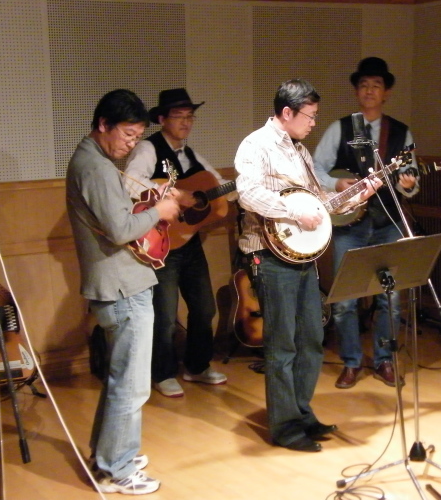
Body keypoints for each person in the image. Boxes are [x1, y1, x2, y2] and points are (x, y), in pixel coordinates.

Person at [234, 79, 380, 452]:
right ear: (287, 112)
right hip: (270, 255)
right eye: (310, 116)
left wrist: (356, 196)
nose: (314, 123)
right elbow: (248, 193)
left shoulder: (299, 151)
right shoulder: (256, 145)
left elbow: (318, 202)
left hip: (302, 256)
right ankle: (285, 427)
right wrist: (292, 210)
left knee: (312, 339)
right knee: (282, 344)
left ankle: (301, 413)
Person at [66, 89, 180, 494]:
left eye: (137, 137)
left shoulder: (92, 160)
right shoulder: (95, 167)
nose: (132, 144)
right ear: (103, 125)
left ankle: (106, 456)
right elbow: (119, 230)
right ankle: (117, 468)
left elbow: (116, 218)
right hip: (121, 286)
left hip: (120, 284)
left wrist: (150, 203)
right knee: (131, 385)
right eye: (128, 135)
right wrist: (160, 211)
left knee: (123, 379)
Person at [313, 57, 419, 390]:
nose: (369, 91)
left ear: (386, 92)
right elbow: (315, 168)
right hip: (349, 225)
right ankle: (351, 362)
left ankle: (385, 360)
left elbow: (412, 179)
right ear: (356, 92)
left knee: (391, 298)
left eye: (376, 85)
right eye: (363, 85)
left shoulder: (400, 132)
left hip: (388, 223)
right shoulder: (340, 128)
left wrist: (408, 184)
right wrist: (335, 184)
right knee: (345, 299)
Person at [124, 88, 228, 398]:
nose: (185, 122)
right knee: (165, 314)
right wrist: (175, 194)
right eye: (178, 116)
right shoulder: (148, 148)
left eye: (189, 116)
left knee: (205, 308)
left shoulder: (191, 155)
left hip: (189, 241)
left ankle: (197, 366)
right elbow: (130, 182)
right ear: (162, 119)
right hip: (161, 241)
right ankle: (162, 373)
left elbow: (217, 183)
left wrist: (243, 187)